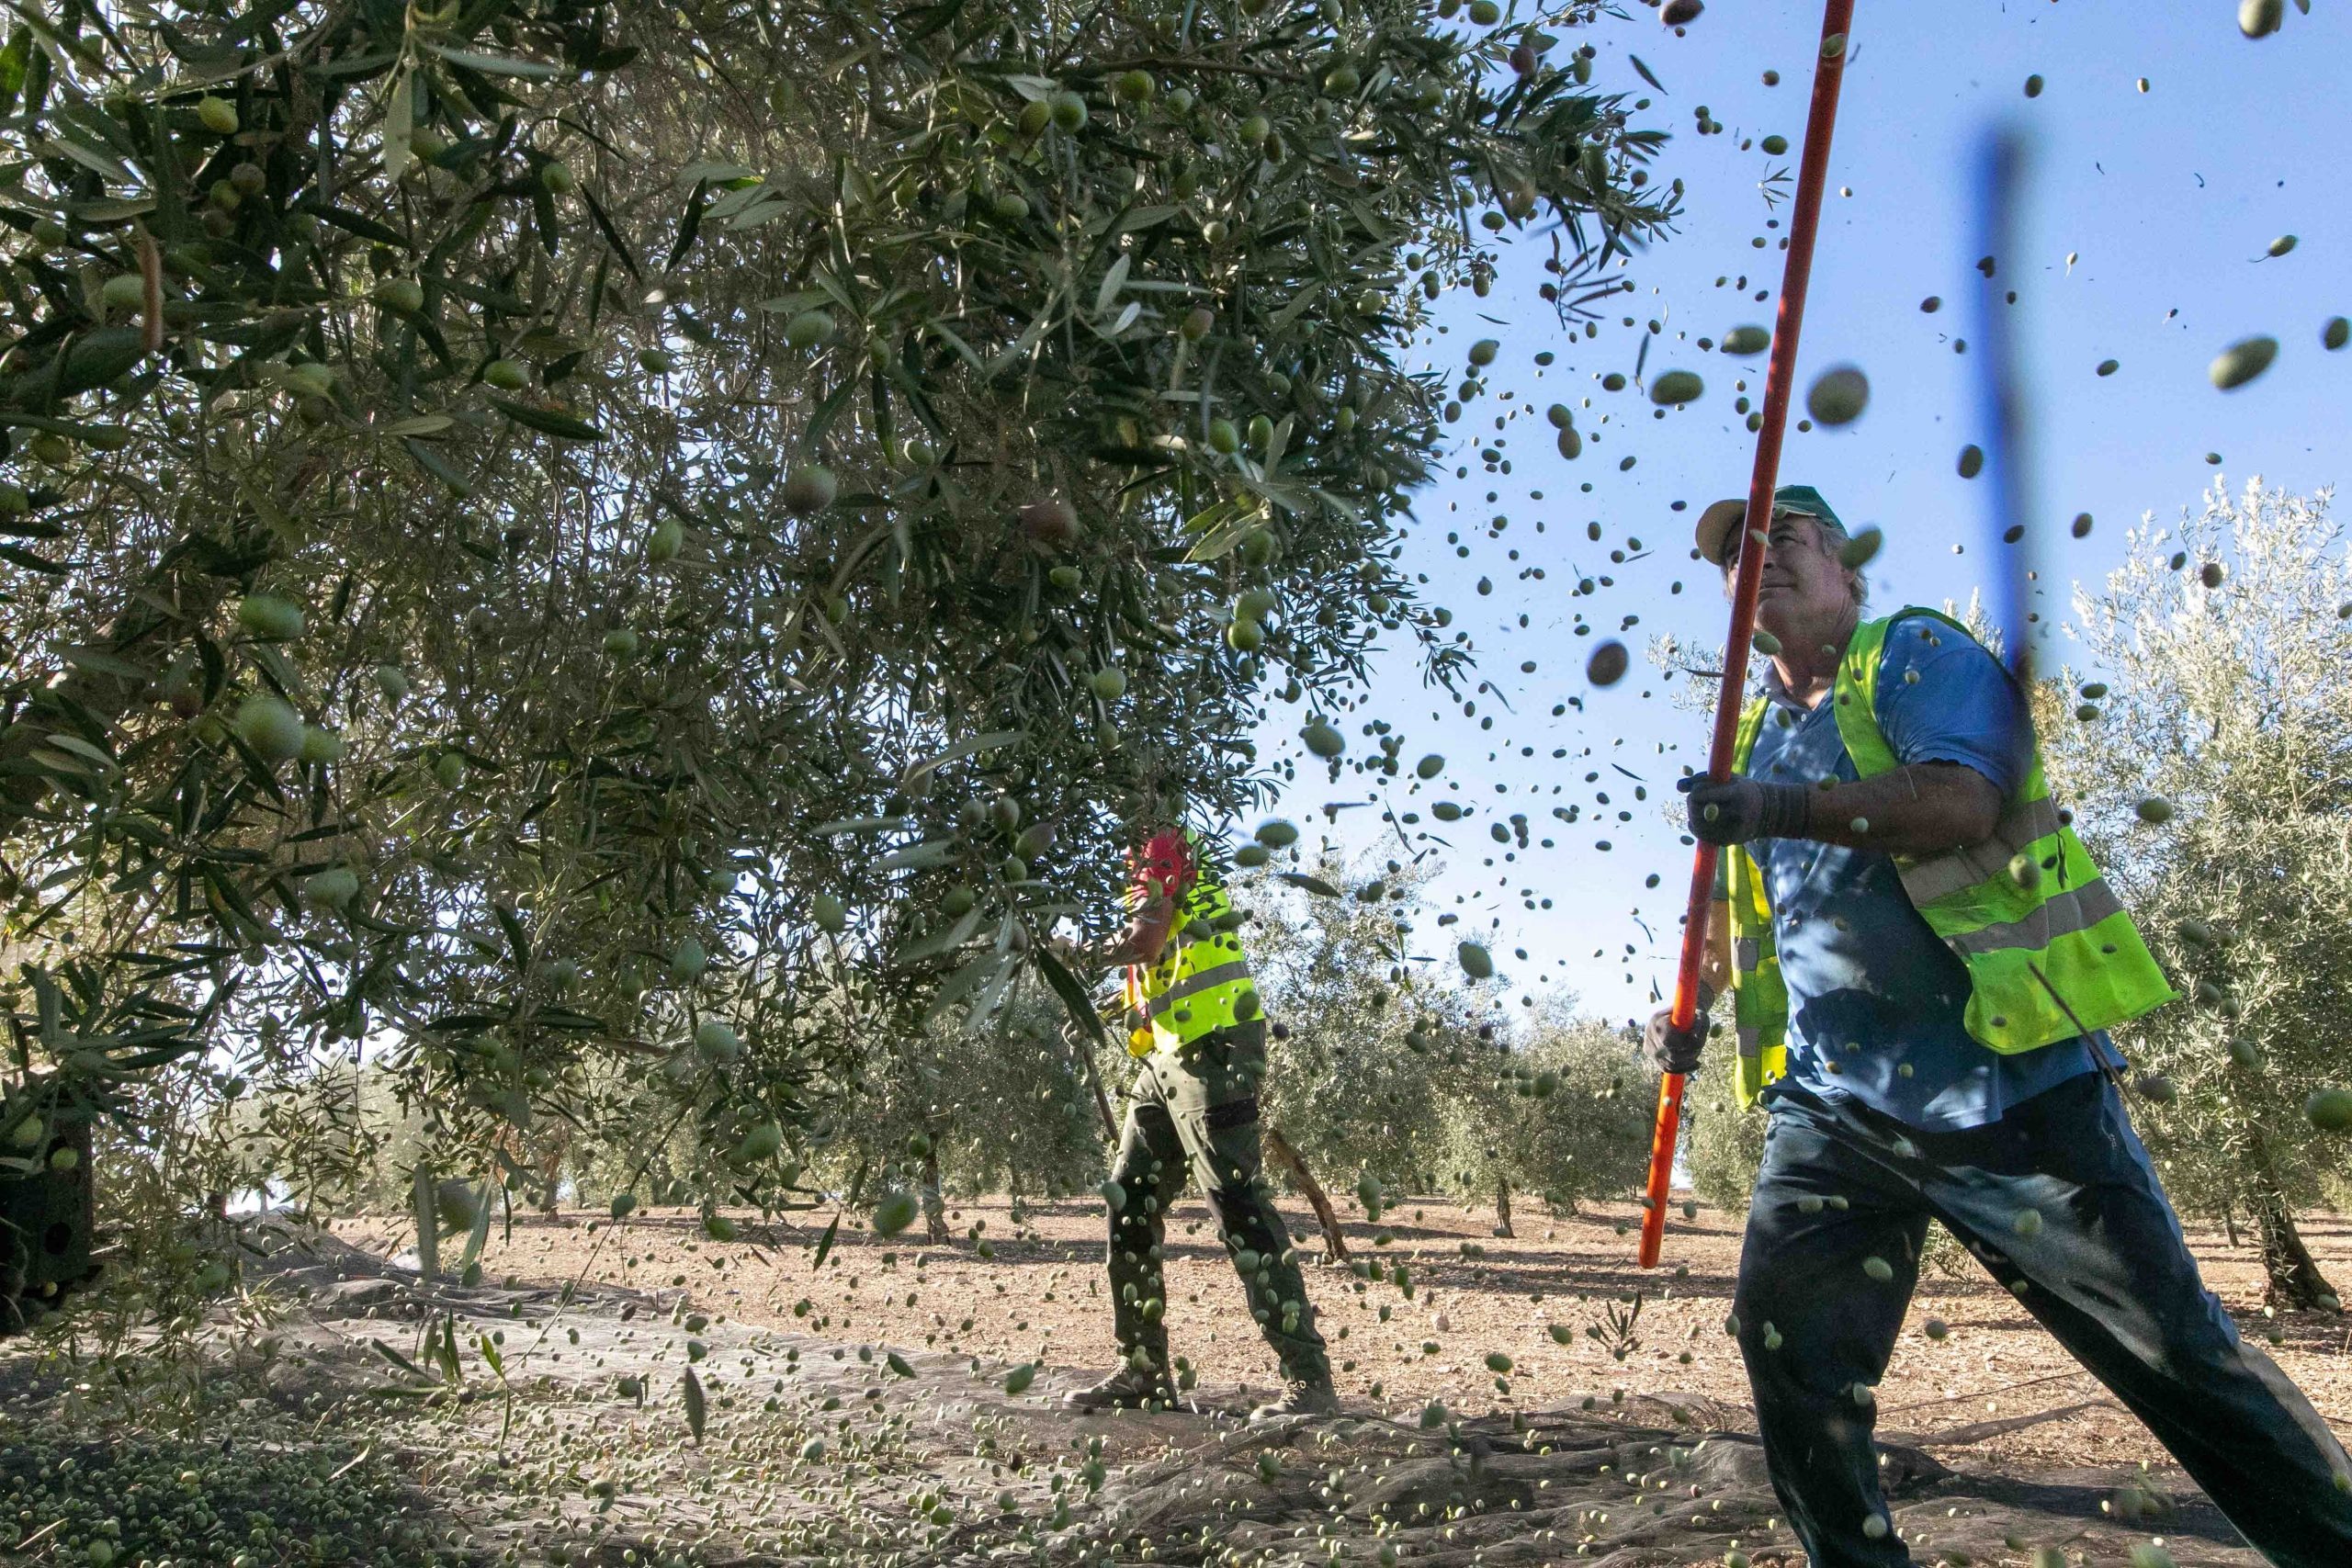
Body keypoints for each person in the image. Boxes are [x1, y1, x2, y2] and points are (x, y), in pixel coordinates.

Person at [1647, 484, 2352, 1568]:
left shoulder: (1910, 654)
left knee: (2172, 1357)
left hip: (2006, 1088)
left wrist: (1775, 808)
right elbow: (1757, 904)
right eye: (1735, 556)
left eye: (1783, 537)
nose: (1758, 561)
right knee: (1787, 1347)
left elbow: (1961, 800)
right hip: (1836, 1110)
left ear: (1845, 567)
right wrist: (1687, 1004)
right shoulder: (1751, 736)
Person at [1058, 823, 1337, 1422]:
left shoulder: (1160, 841)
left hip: (1213, 1050)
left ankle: (1309, 1381)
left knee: (1237, 1203)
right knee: (1128, 1197)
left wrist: (1071, 954)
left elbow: (1148, 940)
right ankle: (1143, 1371)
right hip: (1166, 1056)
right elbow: (1166, 953)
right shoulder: (1151, 856)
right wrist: (1101, 1004)